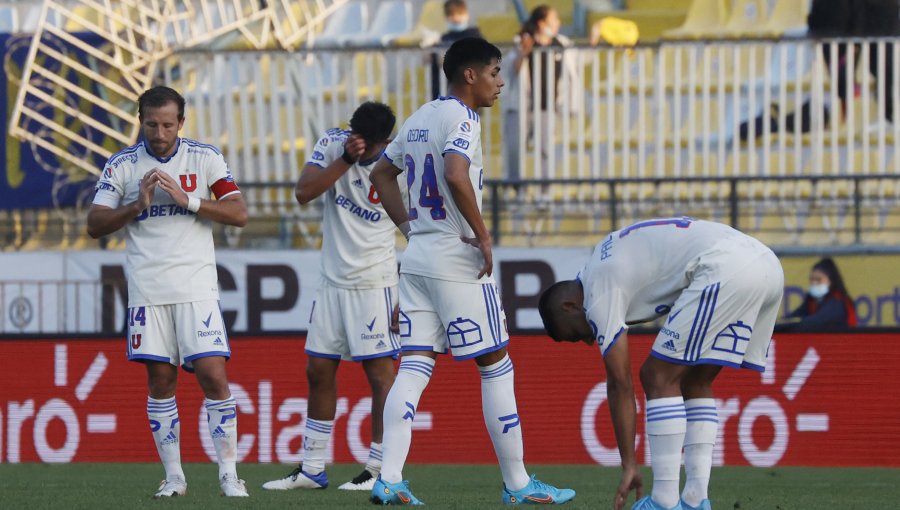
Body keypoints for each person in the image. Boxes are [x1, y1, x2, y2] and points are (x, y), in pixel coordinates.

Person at [368, 37, 575, 505]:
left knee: (414, 367)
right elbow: (458, 173)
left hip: (418, 258)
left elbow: (381, 174)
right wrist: (482, 236)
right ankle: (519, 484)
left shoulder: (420, 116)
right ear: (470, 75)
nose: (500, 82)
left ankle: (391, 477)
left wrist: (411, 228)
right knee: (496, 366)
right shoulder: (462, 118)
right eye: (495, 72)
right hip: (457, 259)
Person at [538, 218, 784, 510]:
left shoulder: (598, 290)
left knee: (656, 376)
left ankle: (664, 502)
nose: (589, 342)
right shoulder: (603, 259)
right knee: (695, 381)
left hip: (726, 267)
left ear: (570, 306)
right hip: (766, 264)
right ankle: (695, 499)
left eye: (578, 334)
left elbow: (620, 384)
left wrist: (629, 465)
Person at [86, 86, 250, 498]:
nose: (159, 133)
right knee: (160, 381)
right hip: (148, 291)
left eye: (167, 124)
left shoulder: (204, 157)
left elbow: (239, 213)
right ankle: (174, 476)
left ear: (182, 121)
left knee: (214, 376)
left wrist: (189, 200)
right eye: (151, 124)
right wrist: (135, 207)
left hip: (196, 288)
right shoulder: (122, 165)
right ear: (140, 120)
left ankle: (229, 474)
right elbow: (95, 222)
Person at [262, 102, 401, 492]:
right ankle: (312, 468)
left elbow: (418, 229)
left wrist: (406, 291)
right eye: (353, 134)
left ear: (385, 141)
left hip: (375, 284)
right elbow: (304, 192)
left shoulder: (400, 164)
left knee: (381, 377)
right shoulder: (333, 144)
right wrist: (344, 158)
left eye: (366, 142)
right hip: (331, 283)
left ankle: (378, 469)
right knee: (318, 370)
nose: (358, 143)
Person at [503, 5, 578, 185]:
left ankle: (544, 193)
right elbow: (513, 69)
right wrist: (524, 52)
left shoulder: (561, 43)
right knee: (515, 150)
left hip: (547, 105)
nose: (558, 23)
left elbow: (578, 62)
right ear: (541, 22)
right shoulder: (522, 40)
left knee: (546, 151)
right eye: (554, 19)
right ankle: (517, 191)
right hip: (522, 106)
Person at [428, 0, 484, 99]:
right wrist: (431, 56)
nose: (455, 18)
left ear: (466, 14)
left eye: (459, 14)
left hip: (468, 94)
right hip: (445, 93)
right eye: (451, 15)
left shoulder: (474, 36)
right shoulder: (443, 39)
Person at [785, 257, 858, 331]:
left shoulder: (838, 302)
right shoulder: (811, 302)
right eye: (812, 280)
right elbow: (793, 318)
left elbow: (818, 321)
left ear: (830, 281)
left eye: (818, 280)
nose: (814, 283)